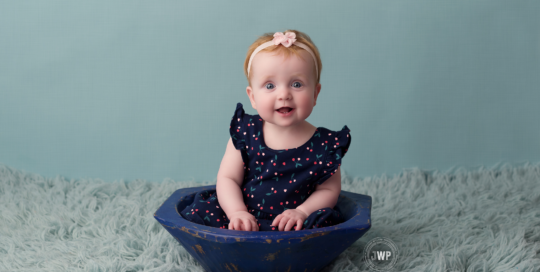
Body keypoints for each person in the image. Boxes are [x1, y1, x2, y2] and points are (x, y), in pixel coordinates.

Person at [181, 30, 351, 231]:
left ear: (315, 93)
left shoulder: (325, 145)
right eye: (270, 85)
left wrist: (303, 211)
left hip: (294, 224)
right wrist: (236, 212)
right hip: (245, 217)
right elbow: (228, 179)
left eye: (297, 84)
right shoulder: (246, 132)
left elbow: (329, 190)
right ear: (252, 97)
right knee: (203, 212)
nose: (284, 94)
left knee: (324, 223)